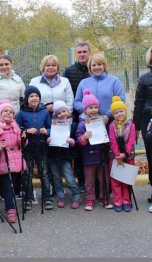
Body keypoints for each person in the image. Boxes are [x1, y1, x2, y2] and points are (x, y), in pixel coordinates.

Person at [30, 54, 74, 196]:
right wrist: (45, 108)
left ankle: (58, 188)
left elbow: (70, 102)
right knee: (46, 156)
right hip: (42, 122)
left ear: (58, 67)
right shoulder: (35, 81)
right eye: (48, 65)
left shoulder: (65, 81)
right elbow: (31, 100)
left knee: (60, 155)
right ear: (43, 67)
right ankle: (48, 187)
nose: (50, 68)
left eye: (53, 65)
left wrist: (62, 114)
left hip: (61, 124)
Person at [0, 54, 25, 200]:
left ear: (11, 64)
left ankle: (16, 188)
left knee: (15, 155)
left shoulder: (18, 81)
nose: (4, 67)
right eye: (1, 64)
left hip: (14, 124)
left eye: (6, 64)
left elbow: (22, 101)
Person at [16, 86, 53, 210]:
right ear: (26, 98)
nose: (34, 98)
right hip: (27, 149)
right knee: (27, 174)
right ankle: (28, 198)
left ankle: (47, 197)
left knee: (44, 173)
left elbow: (50, 127)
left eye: (36, 96)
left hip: (42, 148)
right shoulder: (21, 113)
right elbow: (17, 129)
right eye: (31, 96)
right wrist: (26, 131)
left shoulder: (45, 112)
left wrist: (46, 131)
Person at [76, 89, 113, 211]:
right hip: (89, 157)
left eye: (95, 107)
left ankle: (104, 197)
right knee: (90, 180)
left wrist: (107, 141)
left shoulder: (101, 121)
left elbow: (107, 137)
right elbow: (79, 141)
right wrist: (84, 137)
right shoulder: (82, 124)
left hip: (102, 156)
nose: (93, 110)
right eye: (90, 107)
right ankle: (90, 200)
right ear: (85, 109)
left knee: (104, 179)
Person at [0, 100, 27, 223]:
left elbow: (21, 144)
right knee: (8, 186)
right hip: (4, 160)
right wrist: (0, 146)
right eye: (6, 111)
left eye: (11, 112)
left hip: (16, 159)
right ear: (0, 113)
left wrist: (23, 139)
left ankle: (13, 204)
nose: (9, 113)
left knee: (14, 185)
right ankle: (10, 209)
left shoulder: (15, 126)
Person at [63, 42, 92, 193]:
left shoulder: (94, 69)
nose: (82, 54)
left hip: (95, 117)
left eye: (84, 52)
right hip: (75, 118)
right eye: (79, 52)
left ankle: (95, 183)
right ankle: (81, 181)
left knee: (94, 149)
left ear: (89, 52)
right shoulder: (69, 71)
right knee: (78, 151)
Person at [133, 45, 152, 199]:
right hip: (148, 122)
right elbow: (138, 102)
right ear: (150, 59)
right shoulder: (144, 78)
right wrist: (136, 126)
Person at [74, 53, 126, 127]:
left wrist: (108, 115)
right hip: (90, 123)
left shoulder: (114, 81)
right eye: (94, 65)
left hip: (111, 123)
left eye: (99, 64)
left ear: (104, 66)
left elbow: (121, 99)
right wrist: (88, 110)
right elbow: (76, 101)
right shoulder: (83, 83)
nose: (97, 67)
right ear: (90, 67)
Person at [46, 100, 81, 209]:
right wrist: (48, 140)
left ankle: (76, 195)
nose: (62, 114)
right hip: (53, 155)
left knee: (70, 178)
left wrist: (72, 141)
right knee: (56, 178)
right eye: (59, 113)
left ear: (68, 111)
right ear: (55, 115)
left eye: (64, 111)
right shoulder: (53, 125)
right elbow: (49, 138)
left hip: (65, 156)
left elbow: (76, 141)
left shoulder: (73, 125)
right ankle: (61, 197)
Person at [109, 96, 136, 212]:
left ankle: (126, 200)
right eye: (116, 112)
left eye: (121, 111)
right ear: (113, 115)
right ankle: (117, 201)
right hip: (115, 157)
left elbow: (131, 140)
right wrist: (117, 155)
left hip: (128, 156)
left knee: (126, 180)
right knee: (116, 181)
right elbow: (112, 141)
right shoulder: (111, 126)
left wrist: (125, 153)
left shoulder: (131, 125)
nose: (119, 114)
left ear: (125, 111)